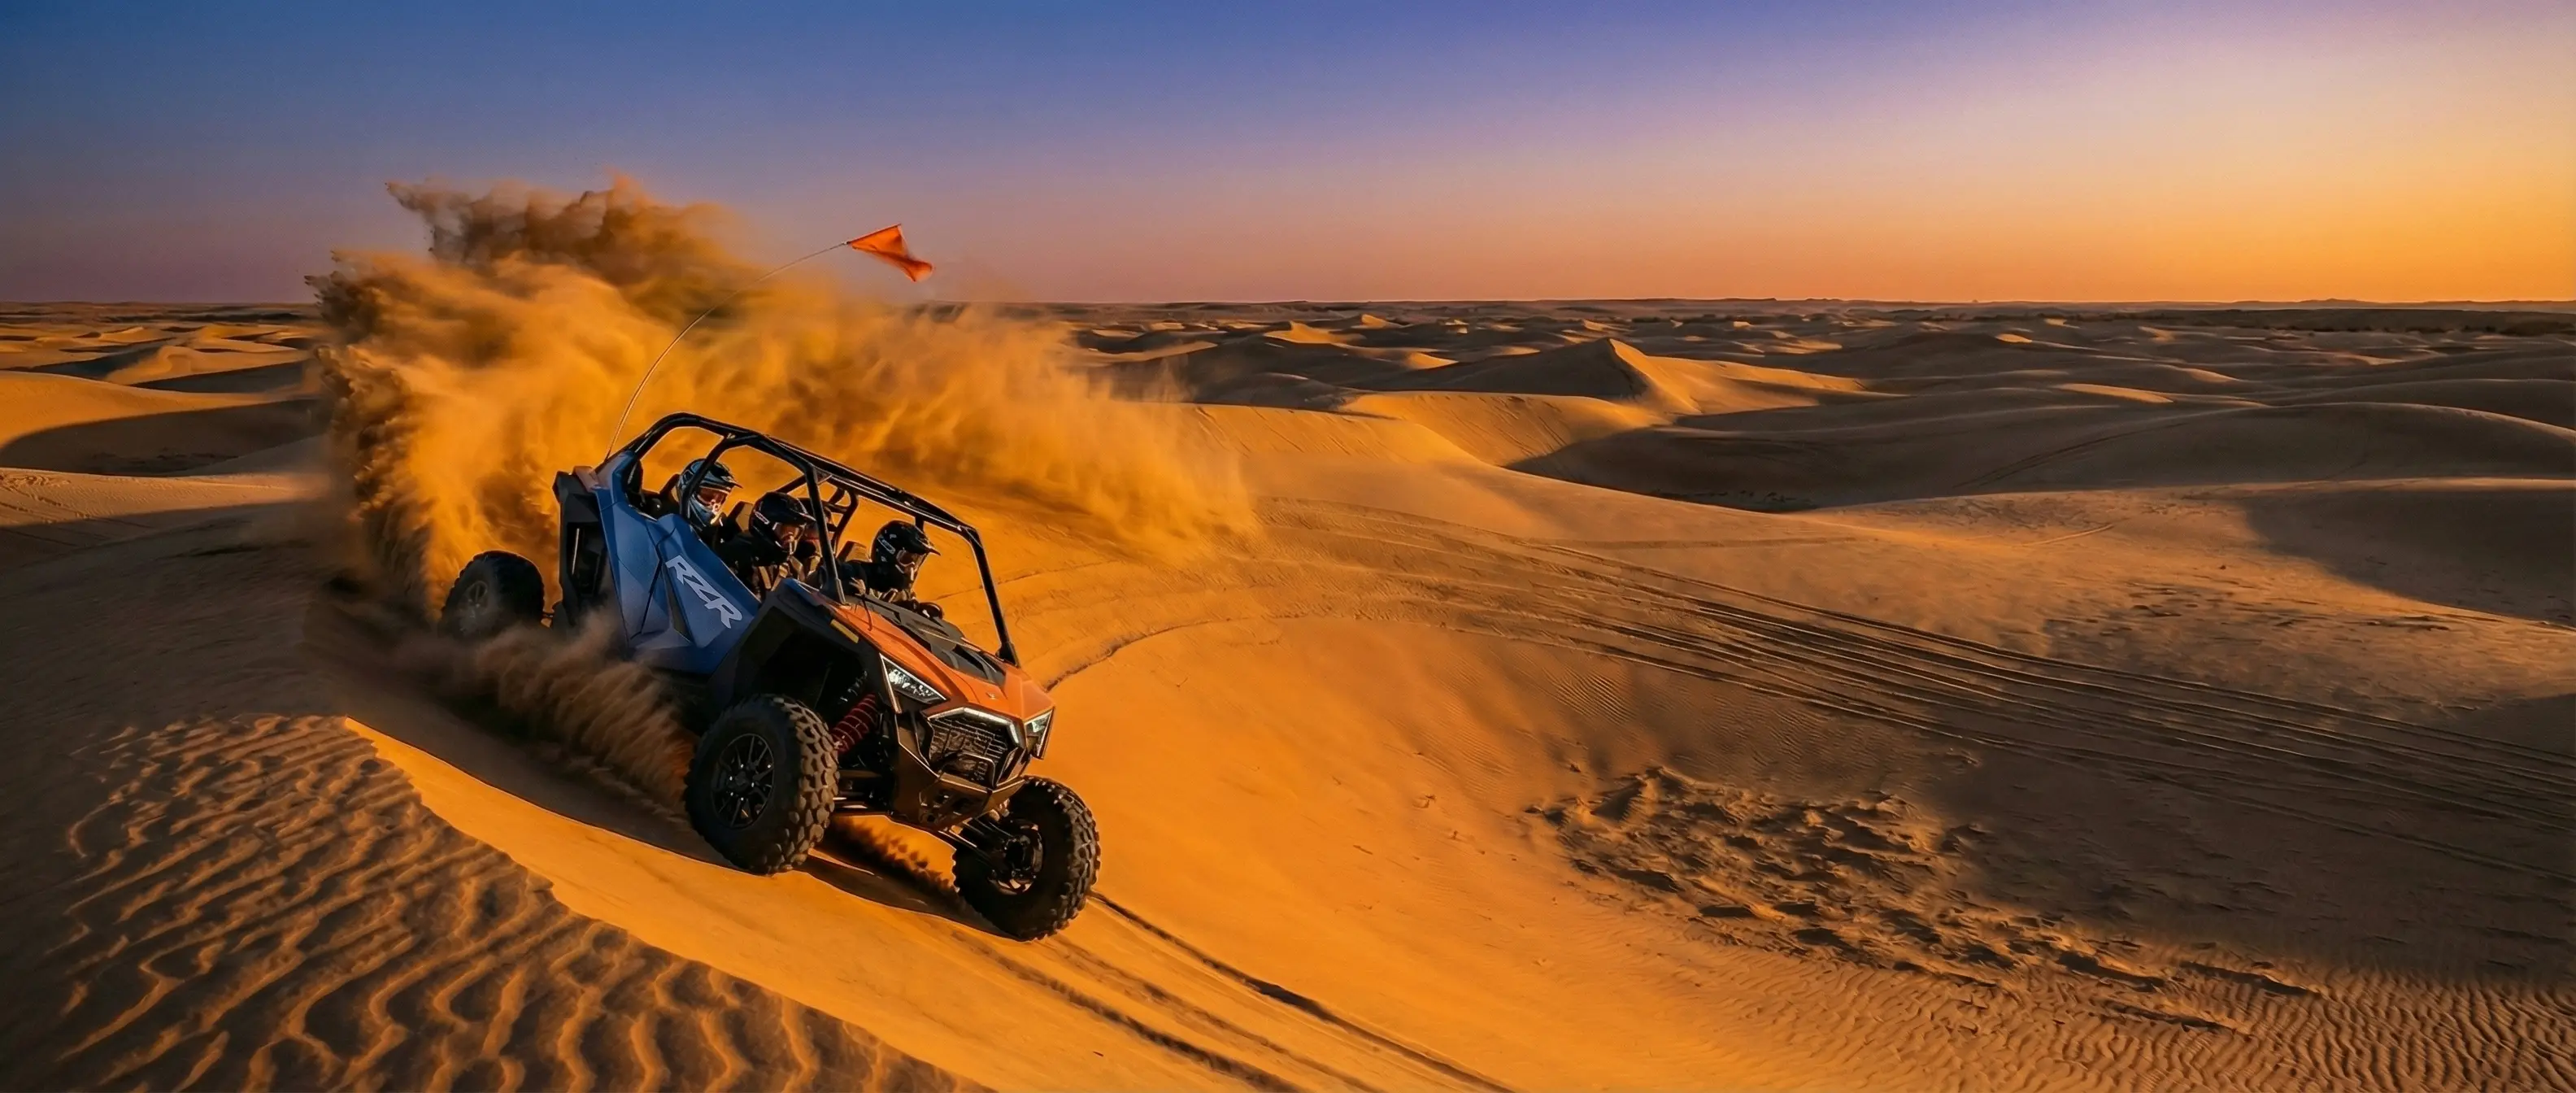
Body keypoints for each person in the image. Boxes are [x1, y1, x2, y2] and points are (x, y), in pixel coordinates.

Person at [716, 490, 822, 599]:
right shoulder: (736, 555)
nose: (790, 539)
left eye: (795, 533)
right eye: (785, 532)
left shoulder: (791, 568)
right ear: (766, 525)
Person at [855, 519, 942, 618]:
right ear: (887, 554)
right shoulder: (855, 577)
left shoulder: (903, 595)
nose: (911, 569)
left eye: (917, 561)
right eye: (907, 559)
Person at [655, 458, 737, 540]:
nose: (715, 505)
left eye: (720, 498)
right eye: (708, 496)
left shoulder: (716, 531)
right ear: (686, 487)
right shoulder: (660, 519)